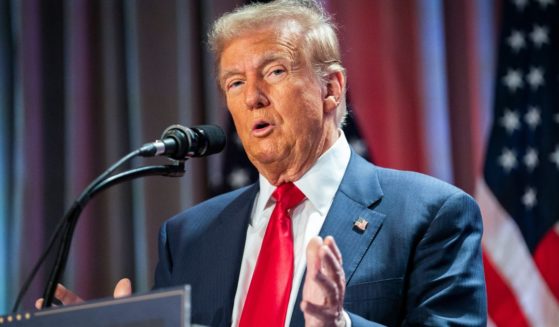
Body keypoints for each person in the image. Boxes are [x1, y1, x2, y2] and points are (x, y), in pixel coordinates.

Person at [39, 0, 487, 326]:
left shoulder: (431, 214)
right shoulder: (188, 237)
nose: (252, 98)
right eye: (235, 82)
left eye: (274, 72)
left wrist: (338, 325)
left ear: (331, 88)